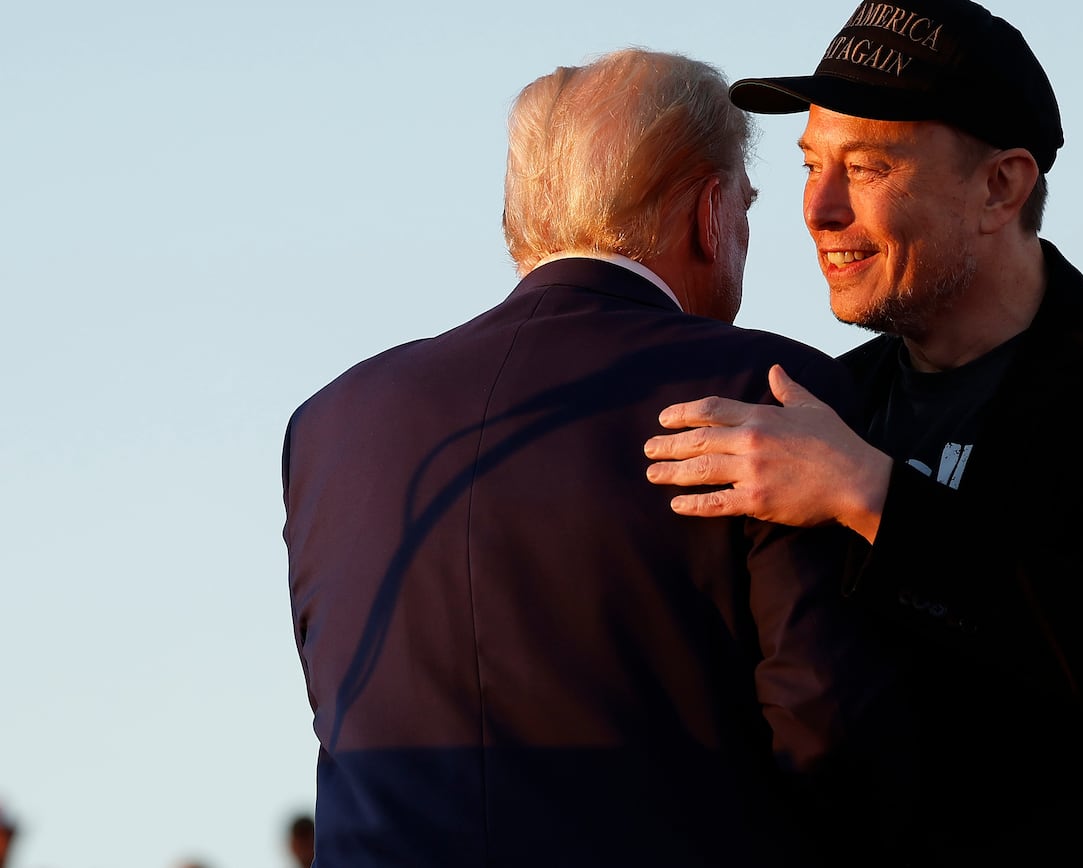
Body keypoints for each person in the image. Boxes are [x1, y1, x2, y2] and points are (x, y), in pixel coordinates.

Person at [643, 0, 1083, 865]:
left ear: (1001, 186)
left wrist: (868, 494)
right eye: (810, 164)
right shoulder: (820, 404)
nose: (819, 208)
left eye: (867, 166)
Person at [282, 47, 906, 867]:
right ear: (709, 213)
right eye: (748, 203)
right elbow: (831, 732)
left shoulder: (331, 423)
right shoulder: (775, 396)